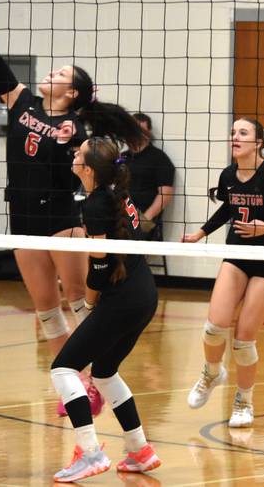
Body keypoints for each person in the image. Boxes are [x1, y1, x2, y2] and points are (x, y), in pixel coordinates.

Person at [0, 0, 146, 417]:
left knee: (82, 301)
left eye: (61, 74)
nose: (51, 74)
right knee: (46, 311)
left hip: (63, 218)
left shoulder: (80, 130)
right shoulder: (21, 100)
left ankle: (93, 377)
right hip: (22, 216)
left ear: (73, 93)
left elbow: (97, 167)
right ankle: (75, 387)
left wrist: (70, 143)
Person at [181, 117, 264, 427]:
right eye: (232, 132)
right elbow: (227, 208)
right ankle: (211, 372)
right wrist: (199, 234)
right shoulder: (229, 174)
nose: (235, 137)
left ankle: (244, 400)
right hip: (238, 254)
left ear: (258, 143)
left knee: (243, 338)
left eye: (243, 133)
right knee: (214, 327)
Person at [50, 136, 161, 482]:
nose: (73, 153)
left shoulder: (97, 205)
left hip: (123, 299)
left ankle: (92, 454)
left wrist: (90, 301)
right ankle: (140, 450)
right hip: (143, 294)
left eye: (78, 152)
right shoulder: (117, 194)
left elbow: (100, 264)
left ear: (87, 168)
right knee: (105, 372)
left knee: (63, 369)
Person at [124, 113, 175, 240]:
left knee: (131, 252)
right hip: (120, 217)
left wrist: (145, 219)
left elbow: (165, 194)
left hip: (144, 218)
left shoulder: (159, 159)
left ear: (149, 132)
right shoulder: (122, 158)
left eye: (140, 130)